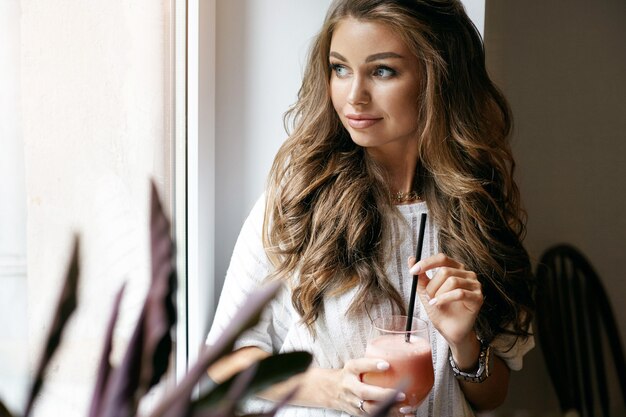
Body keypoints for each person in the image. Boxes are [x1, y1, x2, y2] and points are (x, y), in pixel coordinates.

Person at [206, 1, 535, 416]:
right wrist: (331, 388)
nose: (354, 96)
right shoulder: (299, 198)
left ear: (439, 78)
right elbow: (227, 361)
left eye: (382, 71)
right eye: (340, 68)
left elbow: (494, 395)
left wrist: (464, 343)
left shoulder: (478, 209)